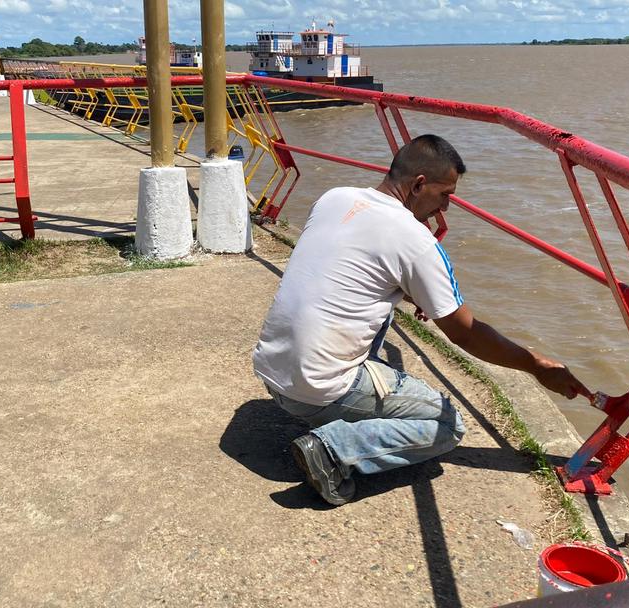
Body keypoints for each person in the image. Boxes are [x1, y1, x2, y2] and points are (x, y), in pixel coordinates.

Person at [252, 134, 591, 506]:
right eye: (445, 195)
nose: (446, 206)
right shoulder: (417, 241)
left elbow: (355, 267)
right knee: (445, 425)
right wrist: (535, 365)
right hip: (314, 391)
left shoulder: (336, 197)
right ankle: (332, 449)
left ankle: (339, 408)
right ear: (418, 185)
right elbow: (466, 334)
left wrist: (417, 291)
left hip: (272, 371)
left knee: (376, 303)